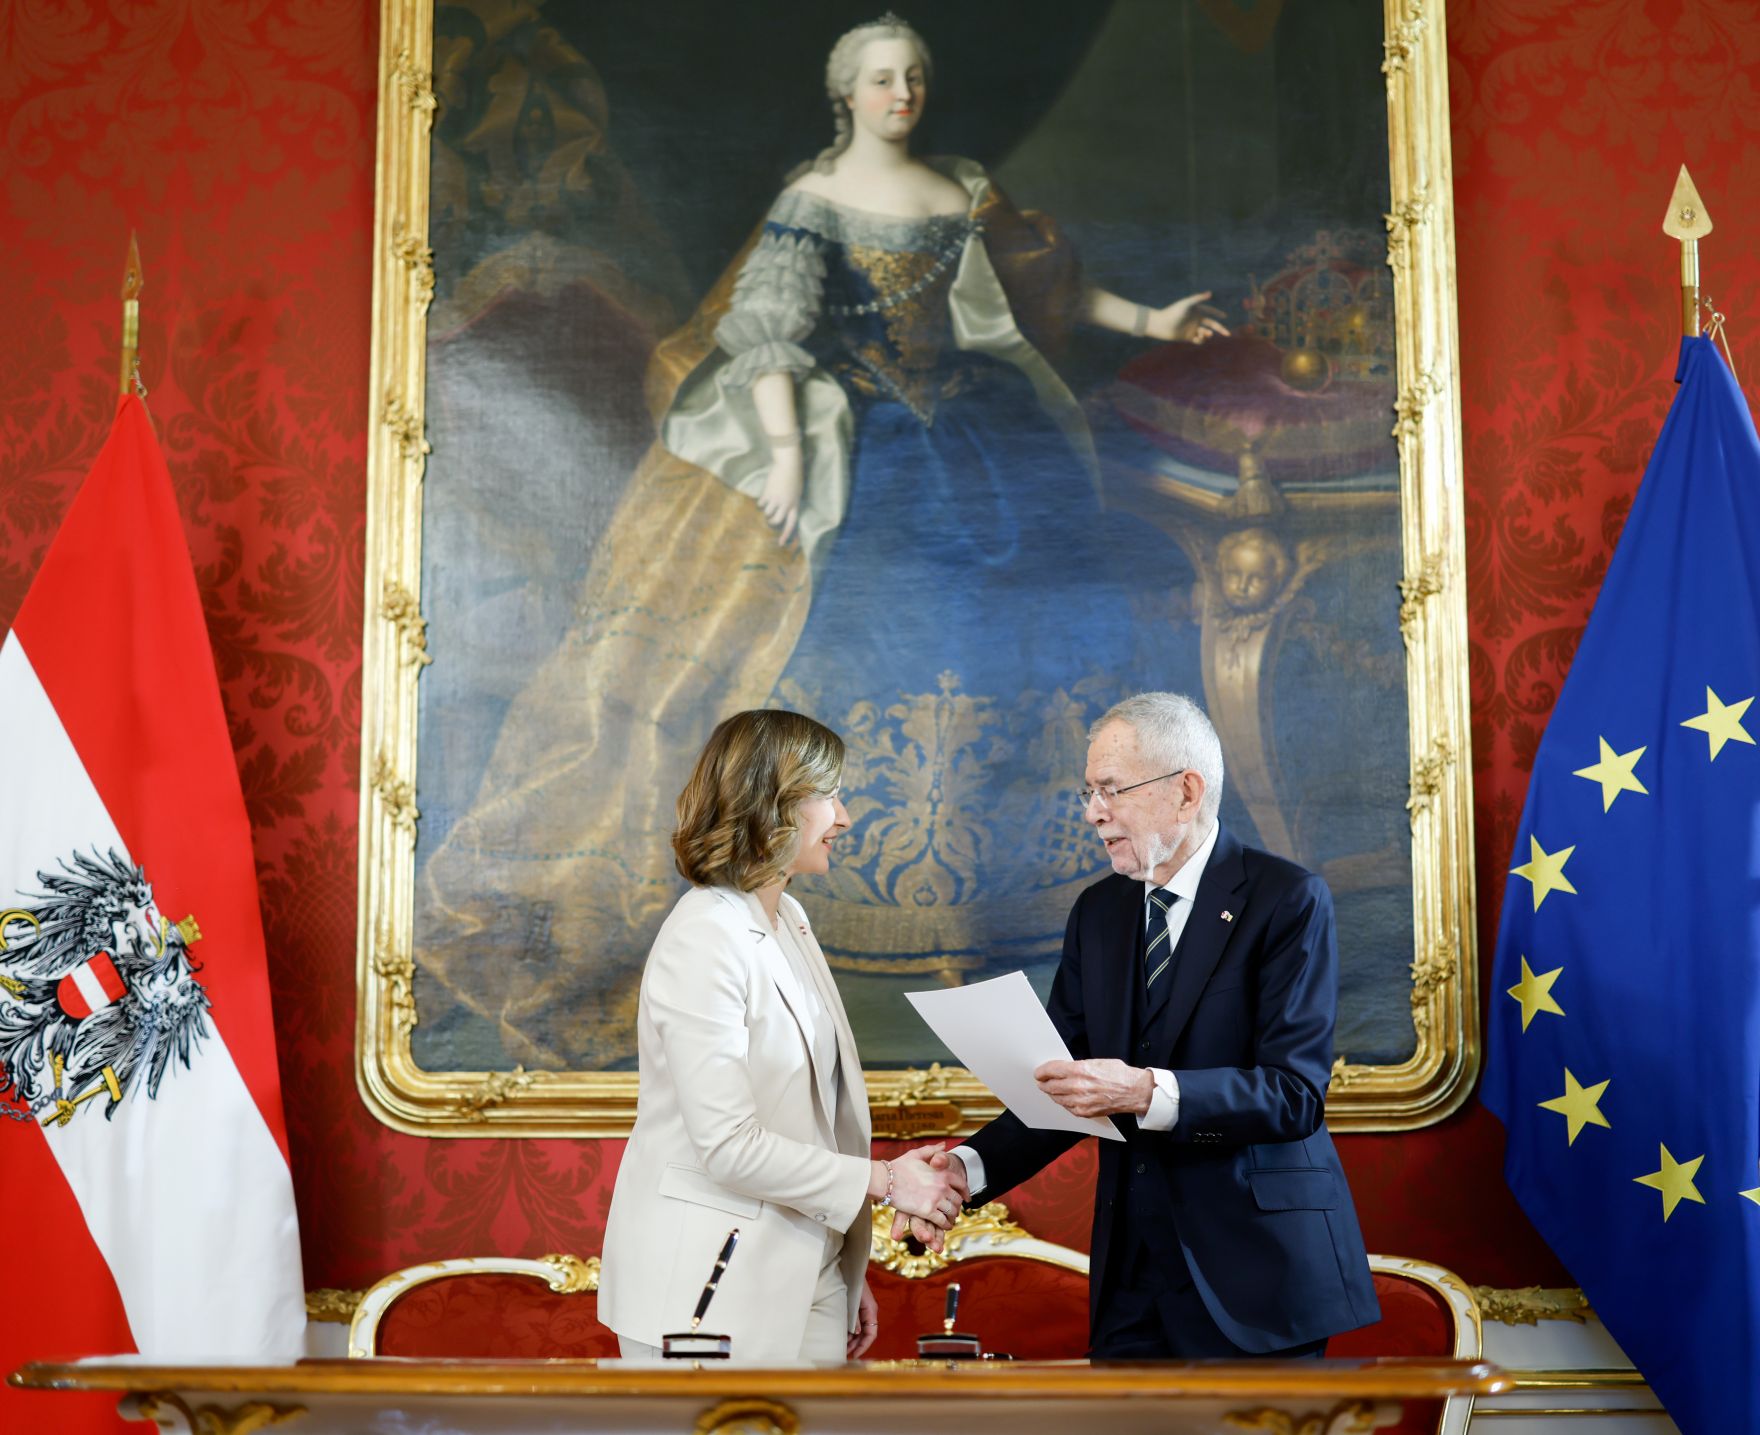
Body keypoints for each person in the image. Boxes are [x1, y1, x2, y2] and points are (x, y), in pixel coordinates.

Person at [417, 13, 1227, 1067]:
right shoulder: (813, 199)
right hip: (853, 434)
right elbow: (762, 334)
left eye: (914, 77)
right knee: (875, 601)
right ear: (846, 94)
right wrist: (791, 461)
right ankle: (853, 900)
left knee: (1047, 601)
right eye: (882, 79)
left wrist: (1155, 323)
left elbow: (1046, 296)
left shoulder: (960, 188)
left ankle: (1018, 889)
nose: (902, 95)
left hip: (977, 423)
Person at [906, 691, 1380, 1359]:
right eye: (1088, 792)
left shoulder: (1286, 899)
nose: (1093, 811)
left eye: (1111, 789)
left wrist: (1144, 1091)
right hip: (1131, 1280)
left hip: (1259, 1277)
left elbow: (1293, 1094)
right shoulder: (1098, 912)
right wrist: (966, 1167)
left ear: (1186, 793)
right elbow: (1061, 1083)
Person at [599, 709, 963, 1362]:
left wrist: (838, 1264)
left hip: (803, 1273)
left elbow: (809, 1120)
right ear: (771, 806)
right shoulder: (705, 934)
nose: (843, 818)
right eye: (828, 796)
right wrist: (888, 1181)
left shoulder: (787, 917)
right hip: (707, 1293)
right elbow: (728, 1147)